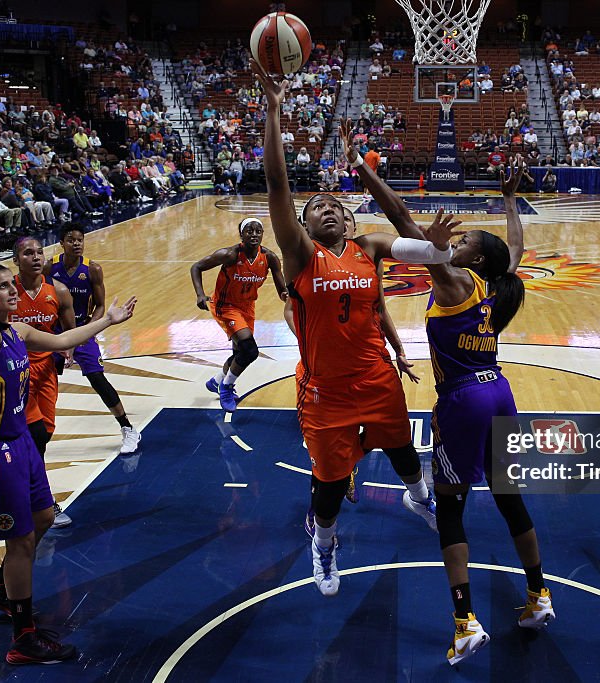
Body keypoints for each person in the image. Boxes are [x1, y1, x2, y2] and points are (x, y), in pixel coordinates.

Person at [350, 139, 554, 663]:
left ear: (474, 259)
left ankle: (464, 622)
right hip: (500, 393)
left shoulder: (456, 281)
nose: (455, 243)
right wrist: (509, 202)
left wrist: (363, 171)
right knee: (510, 499)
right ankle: (538, 595)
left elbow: (401, 219)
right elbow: (515, 251)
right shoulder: (494, 287)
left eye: (464, 243)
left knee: (450, 510)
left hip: (464, 402)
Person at [252, 59, 447, 597]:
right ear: (305, 224)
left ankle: (419, 498)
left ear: (350, 219)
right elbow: (276, 186)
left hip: (375, 376)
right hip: (325, 392)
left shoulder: (370, 249)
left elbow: (421, 244)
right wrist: (272, 110)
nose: (327, 211)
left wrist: (436, 244)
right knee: (331, 487)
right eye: (316, 208)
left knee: (406, 454)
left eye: (335, 206)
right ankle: (324, 546)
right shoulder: (299, 254)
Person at [0, 262, 135, 663]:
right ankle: (24, 639)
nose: (14, 291)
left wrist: (108, 319)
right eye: (3, 288)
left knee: (43, 519)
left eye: (12, 285)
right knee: (18, 540)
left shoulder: (18, 331)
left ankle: (2, 592)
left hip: (19, 442)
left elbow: (64, 339)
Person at [283, 202, 422, 508]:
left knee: (386, 439)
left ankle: (413, 495)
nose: (341, 223)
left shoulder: (368, 257)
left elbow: (380, 310)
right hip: (325, 374)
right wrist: (316, 340)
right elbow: (290, 309)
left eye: (346, 219)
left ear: (353, 228)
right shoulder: (309, 260)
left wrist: (398, 350)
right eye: (334, 216)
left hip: (368, 370)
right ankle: (320, 505)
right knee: (327, 459)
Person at [44, 225, 142, 454]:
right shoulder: (50, 267)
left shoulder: (92, 269)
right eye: (71, 240)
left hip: (83, 328)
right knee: (42, 379)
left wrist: (86, 332)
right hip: (55, 332)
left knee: (97, 378)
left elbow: (100, 306)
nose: (76, 244)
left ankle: (127, 428)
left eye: (80, 240)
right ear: (61, 242)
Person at [10, 237, 76, 528]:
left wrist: (68, 348)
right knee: (33, 434)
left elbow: (69, 328)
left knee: (44, 433)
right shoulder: (6, 290)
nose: (35, 258)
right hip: (14, 372)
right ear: (16, 260)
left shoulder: (58, 291)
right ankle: (39, 499)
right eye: (27, 253)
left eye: (39, 252)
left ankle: (26, 486)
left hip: (46, 368)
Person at [191, 217, 287, 411]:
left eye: (258, 231)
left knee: (240, 353)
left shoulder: (269, 257)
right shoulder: (230, 255)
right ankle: (226, 388)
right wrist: (200, 294)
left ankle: (216, 381)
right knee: (250, 351)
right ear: (241, 234)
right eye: (249, 231)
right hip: (225, 306)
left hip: (247, 307)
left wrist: (291, 297)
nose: (254, 234)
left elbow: (281, 288)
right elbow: (196, 267)